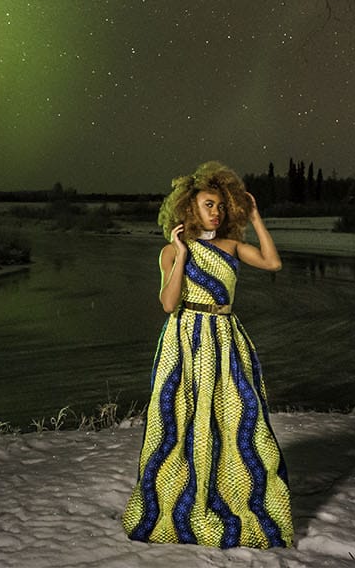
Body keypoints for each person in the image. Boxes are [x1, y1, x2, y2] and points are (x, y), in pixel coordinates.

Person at [121, 161, 294, 548]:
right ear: (189, 208)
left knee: (237, 419)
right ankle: (182, 502)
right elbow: (168, 303)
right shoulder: (170, 251)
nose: (215, 211)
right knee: (181, 421)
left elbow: (273, 262)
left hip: (227, 338)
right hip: (183, 340)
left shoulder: (231, 245)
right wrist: (182, 255)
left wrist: (256, 218)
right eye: (207, 204)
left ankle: (234, 497)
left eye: (219, 205)